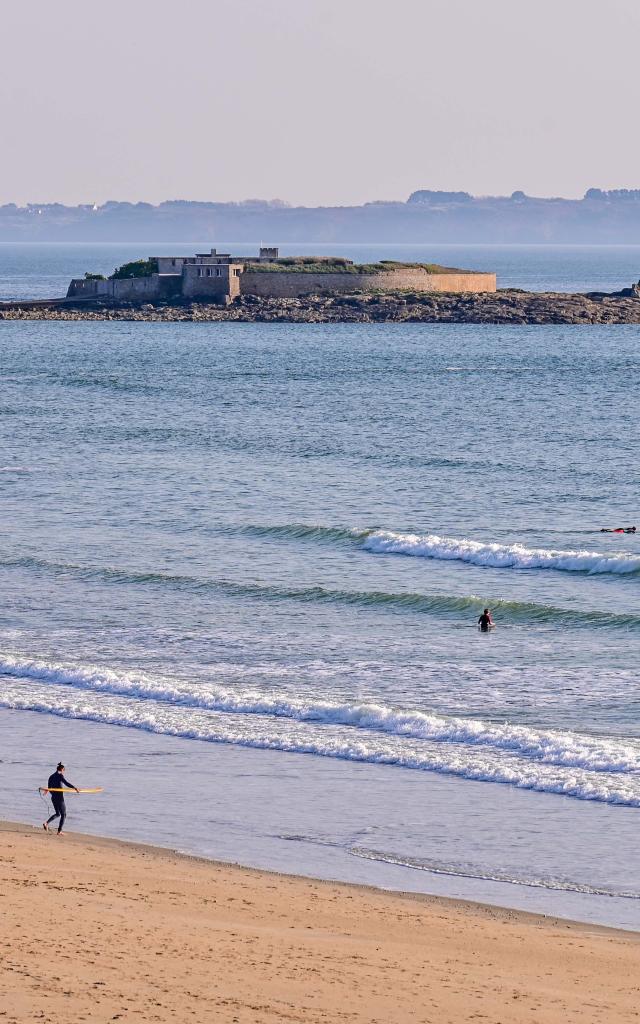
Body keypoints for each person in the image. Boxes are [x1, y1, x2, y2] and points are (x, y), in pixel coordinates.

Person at [43, 762, 79, 835]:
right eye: (64, 770)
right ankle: (59, 831)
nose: (64, 772)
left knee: (58, 813)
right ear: (62, 769)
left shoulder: (51, 776)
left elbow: (49, 788)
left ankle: (46, 823)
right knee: (64, 814)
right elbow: (66, 783)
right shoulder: (60, 776)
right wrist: (75, 787)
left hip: (53, 797)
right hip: (59, 798)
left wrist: (51, 793)